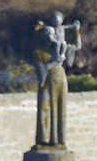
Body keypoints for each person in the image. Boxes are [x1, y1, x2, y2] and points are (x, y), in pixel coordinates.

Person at [33, 10, 80, 147]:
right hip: (47, 82)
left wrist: (76, 32)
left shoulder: (59, 48)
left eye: (52, 35)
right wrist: (55, 61)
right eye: (48, 35)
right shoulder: (40, 51)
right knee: (45, 108)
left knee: (60, 110)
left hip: (60, 78)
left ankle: (59, 139)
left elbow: (76, 47)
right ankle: (44, 140)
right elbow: (41, 69)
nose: (51, 37)